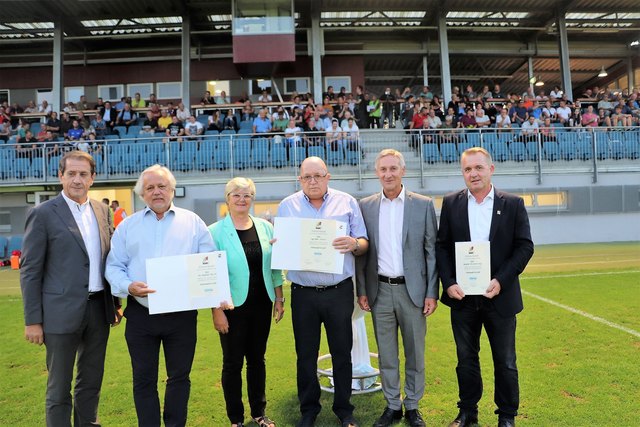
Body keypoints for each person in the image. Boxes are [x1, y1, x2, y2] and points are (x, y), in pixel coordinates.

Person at [105, 165, 217, 427]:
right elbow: (113, 266)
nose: (156, 192)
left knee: (179, 377)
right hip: (141, 315)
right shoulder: (127, 226)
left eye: (162, 186)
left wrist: (211, 292)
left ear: (172, 190)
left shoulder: (193, 222)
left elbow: (208, 263)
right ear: (142, 194)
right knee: (143, 379)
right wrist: (128, 286)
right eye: (150, 188)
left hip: (181, 316)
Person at [20, 151, 121, 426]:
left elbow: (108, 259)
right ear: (61, 176)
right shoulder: (42, 214)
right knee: (58, 388)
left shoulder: (103, 210)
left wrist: (115, 304)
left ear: (93, 178)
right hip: (59, 314)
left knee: (91, 382)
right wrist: (33, 321)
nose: (77, 179)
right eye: (71, 174)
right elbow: (30, 271)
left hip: (99, 311)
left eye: (83, 174)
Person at [436, 147, 534, 427]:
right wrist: (449, 282)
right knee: (465, 359)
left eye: (478, 168)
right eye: (467, 169)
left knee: (505, 361)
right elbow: (442, 247)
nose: (473, 173)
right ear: (462, 173)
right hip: (463, 297)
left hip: (499, 297)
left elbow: (525, 246)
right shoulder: (452, 202)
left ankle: (506, 415)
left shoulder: (513, 203)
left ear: (491, 169)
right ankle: (468, 411)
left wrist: (501, 280)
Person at [277, 156, 369, 427]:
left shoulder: (347, 202)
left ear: (328, 176)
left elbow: (364, 243)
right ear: (300, 179)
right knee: (305, 354)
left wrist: (354, 243)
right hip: (303, 293)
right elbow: (282, 248)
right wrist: (280, 247)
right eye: (307, 177)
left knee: (342, 353)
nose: (313, 181)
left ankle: (344, 410)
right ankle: (309, 410)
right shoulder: (287, 206)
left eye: (318, 175)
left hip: (338, 291)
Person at [355, 149, 438, 427]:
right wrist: (362, 290)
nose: (388, 174)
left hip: (412, 293)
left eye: (393, 168)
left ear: (403, 171)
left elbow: (431, 252)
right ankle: (392, 405)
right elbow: (362, 254)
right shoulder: (365, 206)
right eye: (383, 169)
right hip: (380, 291)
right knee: (387, 354)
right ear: (376, 173)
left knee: (415, 353)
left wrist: (430, 292)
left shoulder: (423, 204)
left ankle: (412, 405)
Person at [209, 177, 285, 427]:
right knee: (232, 363)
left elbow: (274, 265)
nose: (242, 200)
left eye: (247, 195)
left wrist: (280, 297)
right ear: (227, 198)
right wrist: (216, 311)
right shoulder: (215, 232)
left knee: (257, 360)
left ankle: (259, 413)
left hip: (262, 303)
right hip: (231, 308)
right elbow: (210, 276)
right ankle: (235, 419)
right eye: (236, 195)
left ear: (253, 198)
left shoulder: (265, 227)